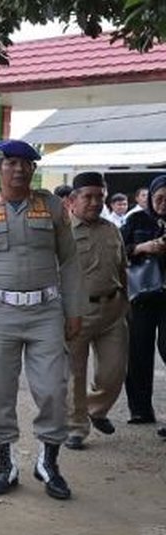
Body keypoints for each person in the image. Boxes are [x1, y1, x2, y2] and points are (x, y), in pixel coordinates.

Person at [0, 140, 83, 501]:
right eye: (11, 163)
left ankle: (48, 462)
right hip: (0, 314)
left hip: (46, 312)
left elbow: (69, 261)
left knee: (54, 387)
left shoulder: (53, 207)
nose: (19, 170)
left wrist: (75, 310)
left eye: (26, 164)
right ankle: (5, 464)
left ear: (33, 170)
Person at [63, 172, 128, 449]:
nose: (95, 202)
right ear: (73, 200)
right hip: (77, 312)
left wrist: (126, 302)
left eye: (99, 196)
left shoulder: (111, 229)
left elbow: (122, 267)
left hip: (113, 311)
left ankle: (95, 409)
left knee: (115, 371)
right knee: (74, 373)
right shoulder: (62, 233)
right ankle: (76, 427)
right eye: (88, 196)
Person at [120, 175, 166, 426]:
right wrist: (142, 247)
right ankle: (140, 410)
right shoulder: (135, 219)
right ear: (150, 196)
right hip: (141, 295)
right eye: (159, 198)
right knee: (137, 352)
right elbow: (118, 249)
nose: (162, 203)